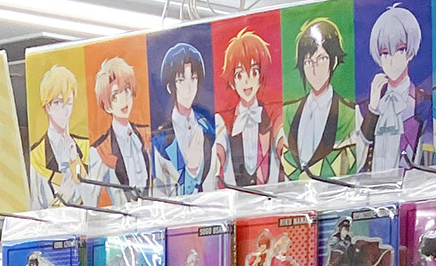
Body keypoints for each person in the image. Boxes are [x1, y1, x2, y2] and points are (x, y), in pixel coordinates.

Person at [283, 18, 360, 179]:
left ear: (334, 61)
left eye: (322, 59)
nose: (314, 68)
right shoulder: (289, 112)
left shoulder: (349, 114)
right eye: (308, 62)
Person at [362, 4, 433, 172]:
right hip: (373, 185)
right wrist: (373, 109)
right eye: (385, 53)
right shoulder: (370, 105)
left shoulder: (423, 104)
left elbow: (427, 155)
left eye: (400, 50)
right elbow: (360, 154)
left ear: (410, 52)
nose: (391, 59)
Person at [152, 41, 222, 195]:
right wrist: (190, 171)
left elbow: (214, 186)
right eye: (181, 80)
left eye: (193, 78)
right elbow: (160, 196)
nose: (189, 87)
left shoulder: (209, 129)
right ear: (170, 87)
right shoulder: (160, 141)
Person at [219, 29, 283, 187]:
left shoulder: (272, 114)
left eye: (254, 72)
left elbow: (281, 136)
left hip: (272, 197)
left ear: (261, 76)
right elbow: (218, 152)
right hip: (235, 199)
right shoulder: (224, 121)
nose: (247, 81)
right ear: (232, 81)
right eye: (240, 75)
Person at [86, 56, 150, 201]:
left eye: (126, 90)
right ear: (107, 105)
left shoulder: (145, 135)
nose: (123, 99)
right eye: (115, 96)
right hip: (121, 214)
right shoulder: (101, 150)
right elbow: (90, 199)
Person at [28, 64, 90, 208]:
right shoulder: (37, 156)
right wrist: (63, 195)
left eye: (68, 103)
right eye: (57, 102)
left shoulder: (84, 147)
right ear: (48, 106)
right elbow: (37, 209)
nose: (64, 110)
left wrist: (75, 160)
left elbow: (96, 198)